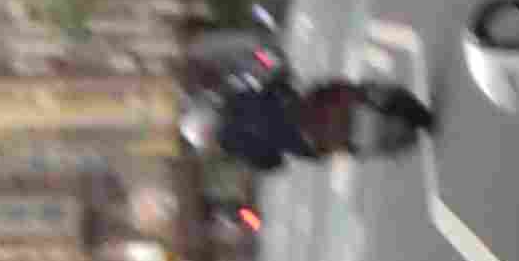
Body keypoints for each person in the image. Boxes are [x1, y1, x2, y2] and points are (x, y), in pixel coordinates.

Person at [182, 76, 432, 171]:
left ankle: (389, 136)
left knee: (343, 148)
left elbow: (270, 162)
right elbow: (270, 90)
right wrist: (282, 84)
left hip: (307, 141)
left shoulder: (236, 148)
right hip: (306, 109)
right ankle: (376, 99)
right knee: (343, 90)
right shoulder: (236, 100)